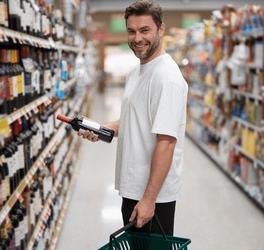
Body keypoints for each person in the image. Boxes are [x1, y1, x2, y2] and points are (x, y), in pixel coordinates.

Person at [79, 0, 188, 236]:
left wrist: (149, 199)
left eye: (145, 30)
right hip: (132, 187)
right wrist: (101, 129)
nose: (137, 38)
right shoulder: (136, 72)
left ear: (161, 29)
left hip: (153, 194)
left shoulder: (166, 77)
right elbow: (132, 122)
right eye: (132, 31)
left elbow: (166, 142)